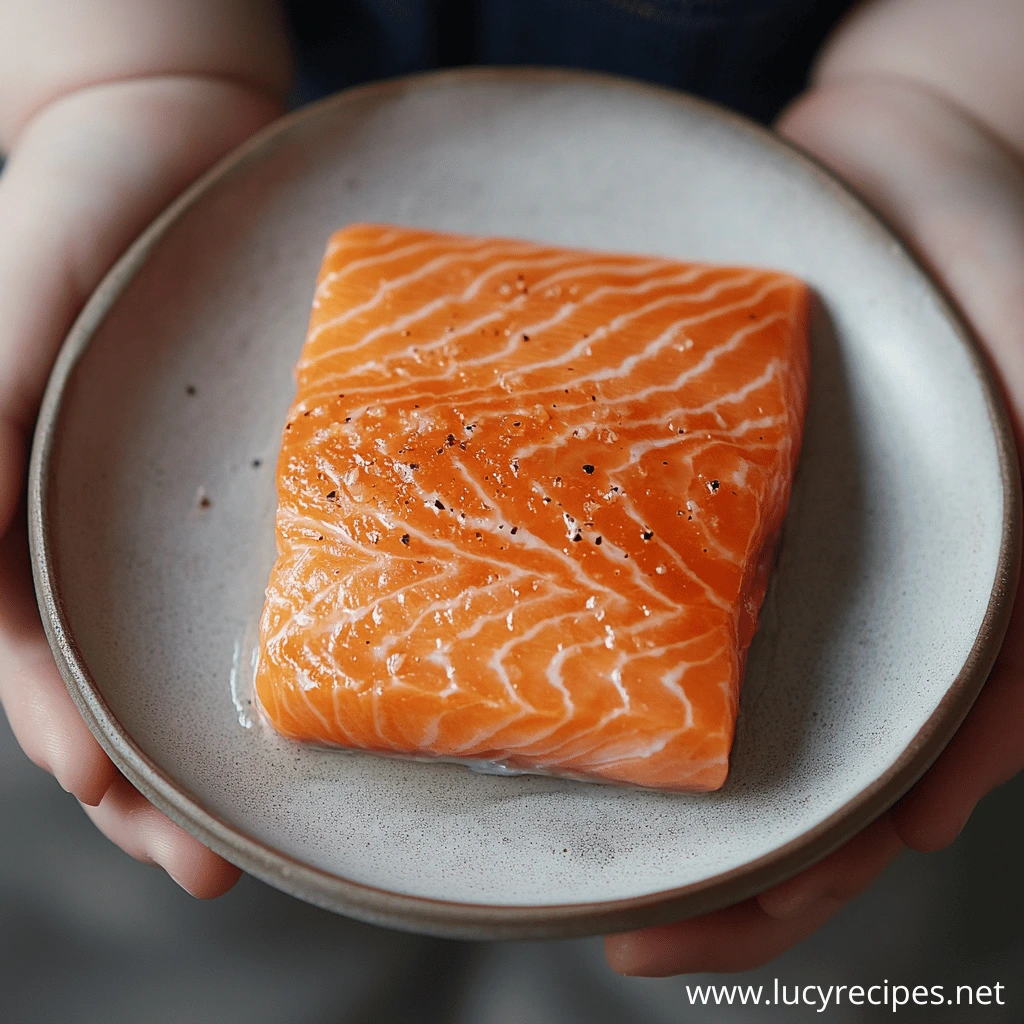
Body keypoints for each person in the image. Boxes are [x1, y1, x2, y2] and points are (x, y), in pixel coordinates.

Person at [0, 0, 1021, 980]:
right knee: (193, 950)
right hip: (245, 90)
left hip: (859, 98)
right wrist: (112, 70)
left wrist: (957, 107)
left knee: (762, 962)